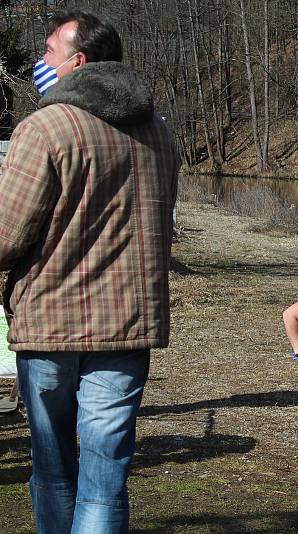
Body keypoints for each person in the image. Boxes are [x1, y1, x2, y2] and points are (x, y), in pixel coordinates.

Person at [0, 9, 178, 533]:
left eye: (49, 53)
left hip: (52, 320)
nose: (42, 61)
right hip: (127, 322)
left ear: (77, 63)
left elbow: (6, 234)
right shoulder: (158, 133)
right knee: (105, 479)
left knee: (55, 471)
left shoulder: (47, 127)